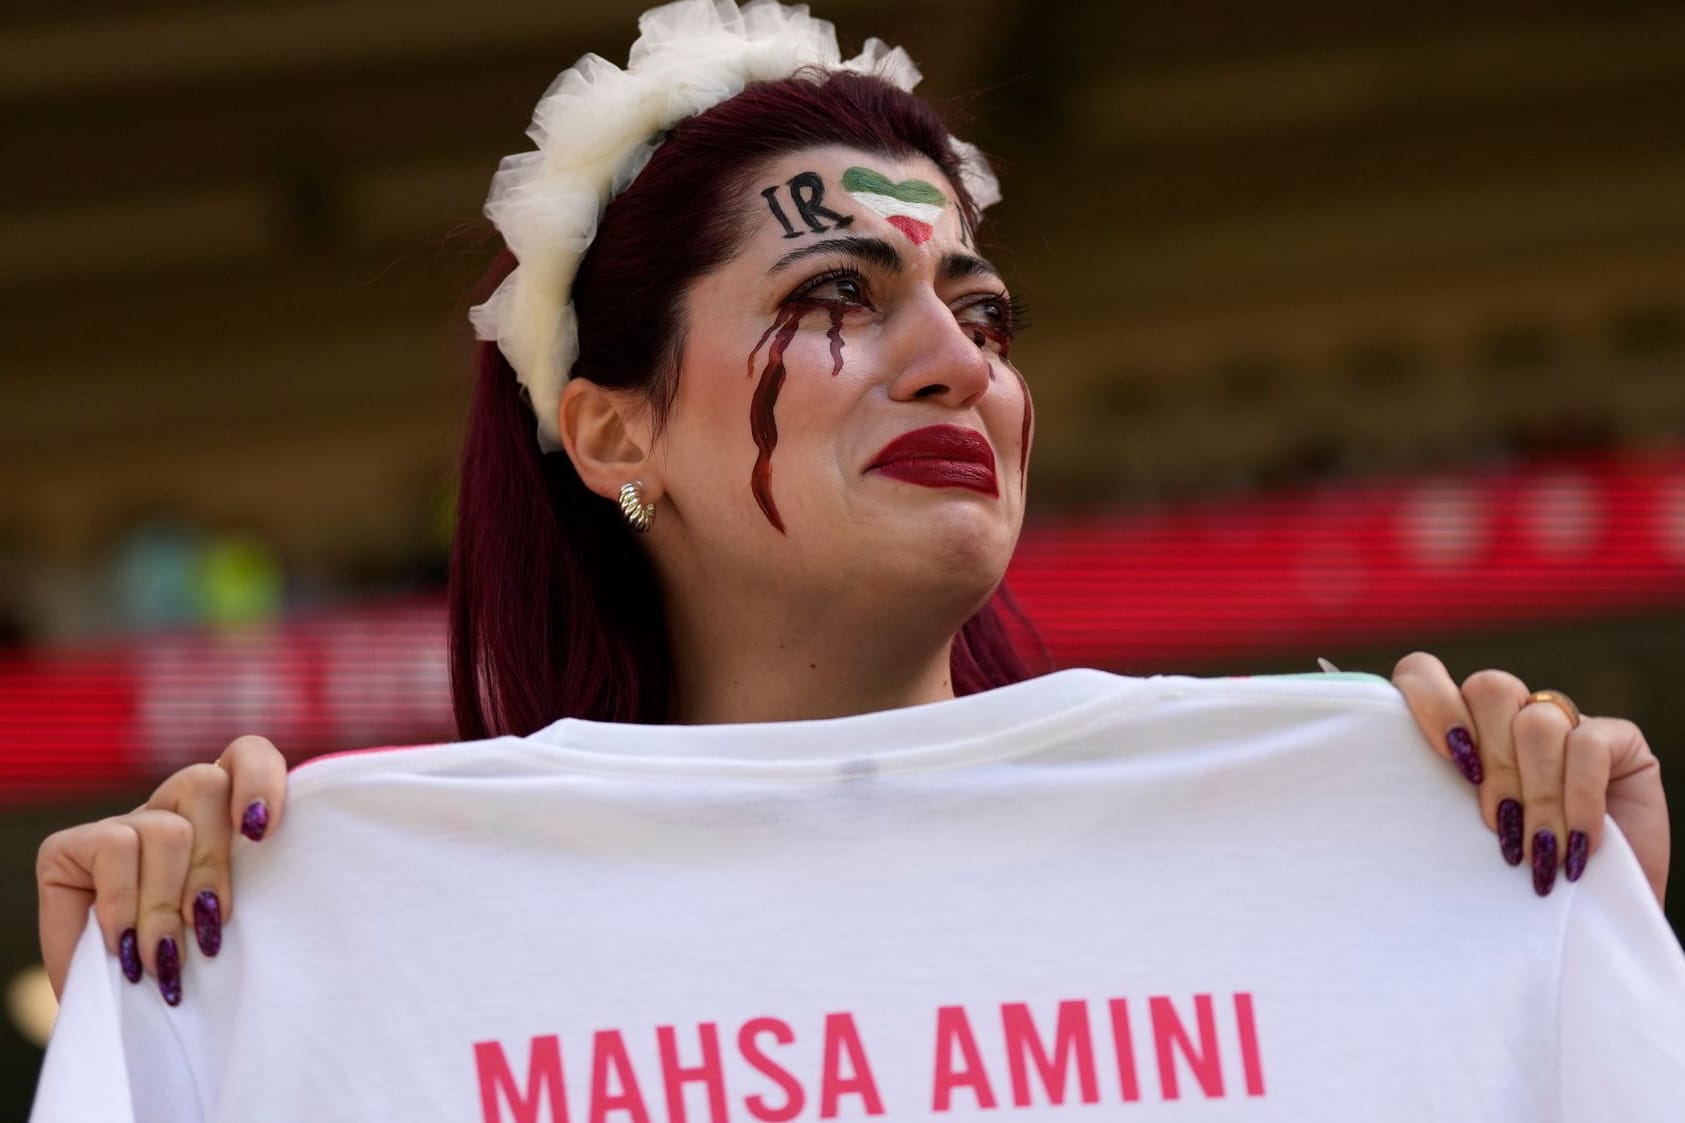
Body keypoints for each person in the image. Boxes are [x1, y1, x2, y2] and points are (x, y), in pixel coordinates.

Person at [32, 2, 1681, 1118]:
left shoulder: (1395, 828)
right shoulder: (313, 922)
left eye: (981, 315)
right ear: (609, 434)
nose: (958, 365)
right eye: (837, 297)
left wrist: (1533, 942)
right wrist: (188, 1008)